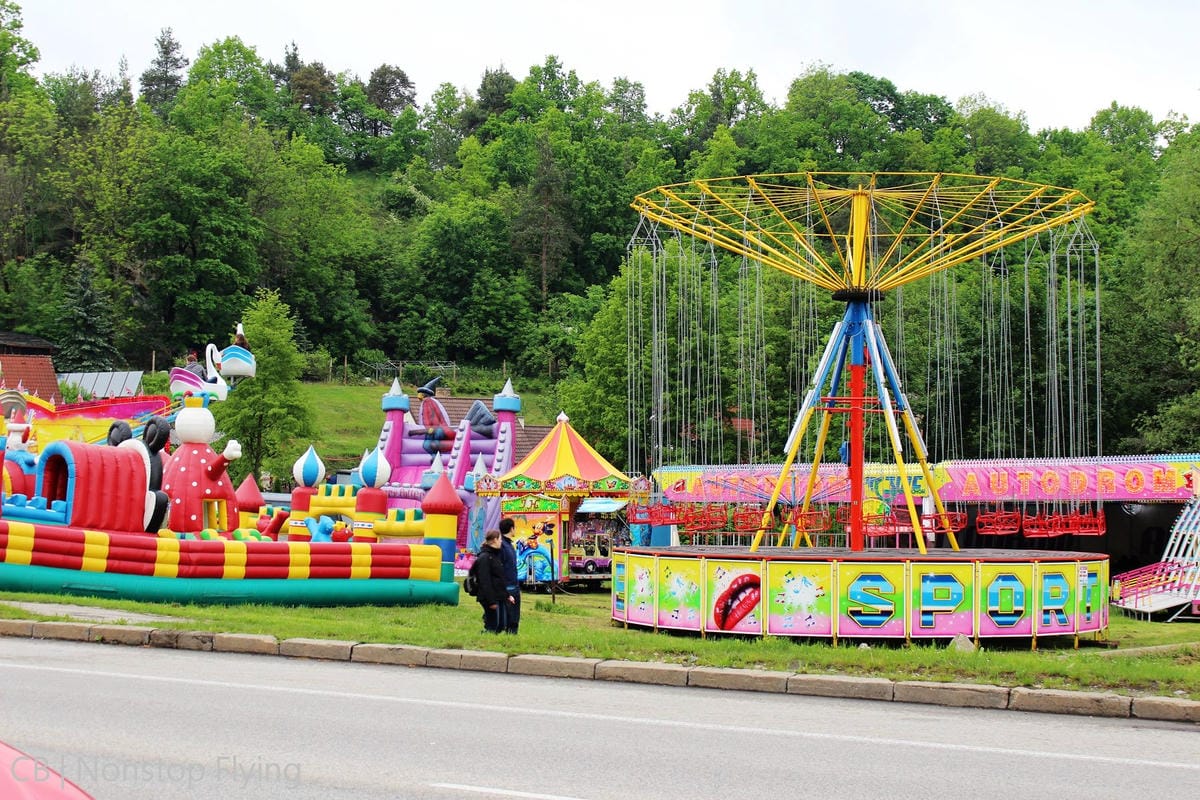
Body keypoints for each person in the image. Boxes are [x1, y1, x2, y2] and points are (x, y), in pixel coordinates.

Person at [471, 529, 511, 633]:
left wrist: (507, 595)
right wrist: (491, 601)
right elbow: (485, 581)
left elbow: (500, 578)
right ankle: (483, 640)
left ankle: (491, 639)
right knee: (493, 626)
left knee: (502, 625)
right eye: (500, 539)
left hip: (499, 595)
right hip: (489, 597)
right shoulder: (484, 557)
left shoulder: (495, 556)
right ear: (494, 540)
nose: (501, 542)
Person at [498, 517, 521, 633]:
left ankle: (512, 635)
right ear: (511, 529)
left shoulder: (509, 545)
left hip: (514, 585)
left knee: (515, 617)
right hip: (508, 586)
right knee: (510, 617)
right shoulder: (502, 546)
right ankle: (510, 636)